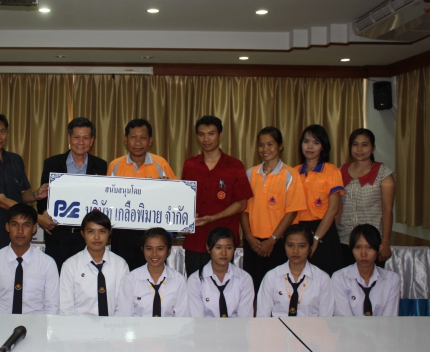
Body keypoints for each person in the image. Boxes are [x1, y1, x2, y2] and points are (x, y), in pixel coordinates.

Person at [0, 113, 49, 260]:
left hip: (17, 236)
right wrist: (36, 217)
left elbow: (22, 194)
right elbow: (1, 201)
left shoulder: (15, 160)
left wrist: (36, 195)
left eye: (2, 131)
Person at [181, 116, 253, 276]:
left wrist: (213, 218)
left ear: (220, 135)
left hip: (223, 243)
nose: (206, 139)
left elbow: (242, 203)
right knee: (194, 285)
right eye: (201, 134)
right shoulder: (190, 165)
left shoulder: (235, 166)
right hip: (195, 240)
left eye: (211, 134)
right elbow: (183, 201)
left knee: (223, 286)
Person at [240, 126, 307, 293]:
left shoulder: (290, 174)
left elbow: (291, 212)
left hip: (278, 243)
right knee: (253, 290)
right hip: (253, 244)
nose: (265, 149)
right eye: (261, 145)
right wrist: (249, 237)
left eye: (270, 144)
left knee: (279, 292)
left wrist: (272, 240)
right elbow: (243, 209)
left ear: (280, 146)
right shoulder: (250, 173)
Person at [36, 117, 108, 272]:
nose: (80, 142)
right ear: (69, 138)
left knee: (87, 279)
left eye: (85, 138)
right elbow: (43, 198)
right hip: (59, 236)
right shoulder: (52, 163)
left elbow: (104, 199)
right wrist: (44, 212)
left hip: (88, 237)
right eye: (76, 137)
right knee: (58, 279)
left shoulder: (101, 166)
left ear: (92, 140)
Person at [107, 119, 177, 270]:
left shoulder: (161, 164)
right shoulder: (115, 165)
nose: (138, 142)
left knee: (152, 275)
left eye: (143, 137)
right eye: (133, 137)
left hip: (152, 233)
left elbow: (176, 195)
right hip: (122, 233)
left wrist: (167, 189)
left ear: (150, 141)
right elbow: (107, 199)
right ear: (125, 139)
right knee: (122, 274)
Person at [0, 203, 59, 314]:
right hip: (0, 323)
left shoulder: (47, 264)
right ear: (7, 227)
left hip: (36, 323)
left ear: (34, 228)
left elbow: (52, 307)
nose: (20, 231)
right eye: (14, 224)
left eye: (26, 225)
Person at [337, 128, 395, 267]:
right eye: (355, 144)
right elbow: (336, 208)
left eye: (364, 145)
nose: (359, 149)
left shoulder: (383, 173)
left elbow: (387, 210)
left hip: (371, 242)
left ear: (373, 148)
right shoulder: (340, 171)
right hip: (344, 240)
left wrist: (385, 242)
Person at [294, 125, 345, 276]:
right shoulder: (294, 172)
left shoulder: (331, 170)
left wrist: (316, 238)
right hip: (299, 230)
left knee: (325, 278)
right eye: (306, 141)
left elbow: (333, 208)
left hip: (323, 230)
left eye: (316, 142)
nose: (310, 146)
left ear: (323, 146)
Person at [60, 211, 129, 316]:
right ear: (82, 234)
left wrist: (113, 326)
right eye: (91, 232)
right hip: (79, 325)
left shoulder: (120, 265)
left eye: (102, 231)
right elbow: (66, 308)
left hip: (113, 325)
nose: (97, 237)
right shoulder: (70, 266)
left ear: (110, 232)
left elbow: (123, 307)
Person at [257, 224, 334, 317]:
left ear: (310, 247)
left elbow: (326, 318)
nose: (295, 251)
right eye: (290, 245)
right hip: (277, 326)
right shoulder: (272, 276)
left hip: (311, 326)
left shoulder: (322, 278)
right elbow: (262, 316)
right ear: (284, 246)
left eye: (302, 246)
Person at [118, 228, 189, 317]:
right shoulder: (130, 279)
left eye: (160, 249)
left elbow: (183, 318)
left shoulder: (178, 280)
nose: (154, 254)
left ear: (168, 250)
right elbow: (124, 317)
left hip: (170, 327)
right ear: (142, 249)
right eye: (149, 249)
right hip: (138, 326)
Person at [331, 224, 400, 316]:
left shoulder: (391, 279)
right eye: (358, 247)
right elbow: (344, 319)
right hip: (348, 326)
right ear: (351, 249)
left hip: (383, 326)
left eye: (369, 247)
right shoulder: (339, 278)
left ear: (379, 249)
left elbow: (390, 318)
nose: (363, 253)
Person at [187, 227, 254, 318]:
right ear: (208, 248)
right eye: (218, 248)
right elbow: (197, 319)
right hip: (204, 327)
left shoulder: (244, 279)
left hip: (237, 327)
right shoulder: (195, 280)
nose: (224, 253)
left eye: (229, 248)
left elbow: (245, 318)